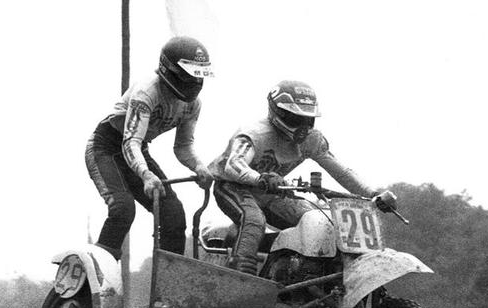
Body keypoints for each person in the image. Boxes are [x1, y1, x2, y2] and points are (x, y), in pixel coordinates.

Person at [207, 80, 387, 274]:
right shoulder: (255, 134)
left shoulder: (312, 139)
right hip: (232, 186)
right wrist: (260, 178)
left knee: (321, 221)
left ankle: (309, 272)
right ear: (278, 112)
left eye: (308, 119)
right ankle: (241, 274)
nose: (303, 126)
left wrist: (373, 194)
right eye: (296, 119)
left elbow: (341, 171)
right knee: (254, 219)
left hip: (273, 190)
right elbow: (234, 164)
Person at [85, 36, 214, 263]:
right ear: (169, 70)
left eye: (198, 76)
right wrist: (145, 174)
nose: (194, 82)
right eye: (188, 76)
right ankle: (99, 270)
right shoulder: (147, 92)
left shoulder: (193, 104)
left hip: (138, 151)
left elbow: (183, 147)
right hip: (106, 147)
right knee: (123, 209)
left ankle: (169, 280)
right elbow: (130, 141)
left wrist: (199, 167)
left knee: (173, 213)